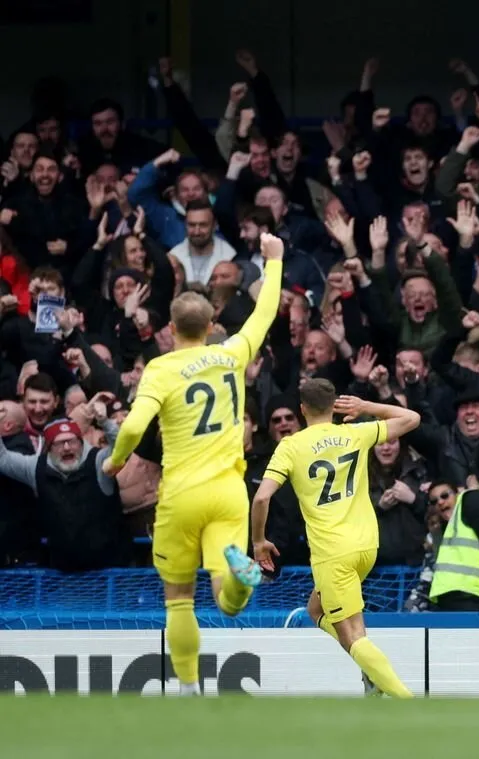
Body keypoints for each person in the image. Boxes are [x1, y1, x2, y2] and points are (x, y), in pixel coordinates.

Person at [102, 232, 286, 696]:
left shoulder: (160, 370)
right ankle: (240, 585)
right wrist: (274, 262)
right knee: (226, 598)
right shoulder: (230, 354)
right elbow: (264, 315)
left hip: (181, 494)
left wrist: (116, 461)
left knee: (178, 600)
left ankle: (187, 690)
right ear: (210, 326)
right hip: (228, 492)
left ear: (170, 326)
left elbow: (131, 427)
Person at [248, 379, 420, 699]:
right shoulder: (356, 432)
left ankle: (404, 699)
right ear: (334, 407)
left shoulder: (291, 446)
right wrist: (366, 407)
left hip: (333, 551)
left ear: (301, 410)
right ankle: (371, 680)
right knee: (316, 610)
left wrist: (258, 541)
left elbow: (260, 499)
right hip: (367, 546)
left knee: (352, 633)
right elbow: (411, 418)